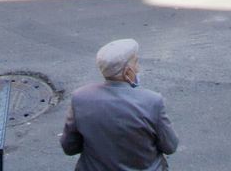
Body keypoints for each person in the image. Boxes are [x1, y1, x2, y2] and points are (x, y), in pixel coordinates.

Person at [60, 38, 178, 171]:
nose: (138, 68)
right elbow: (170, 146)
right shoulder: (152, 101)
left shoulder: (80, 98)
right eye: (136, 63)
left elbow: (69, 147)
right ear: (127, 72)